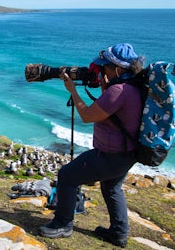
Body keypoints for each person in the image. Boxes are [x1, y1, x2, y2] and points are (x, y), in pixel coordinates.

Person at [39, 43, 144, 248]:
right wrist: (106, 88)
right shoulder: (133, 88)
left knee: (67, 176)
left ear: (118, 70)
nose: (101, 70)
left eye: (105, 67)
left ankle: (63, 224)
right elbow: (115, 111)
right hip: (128, 154)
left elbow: (87, 116)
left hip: (109, 155)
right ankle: (119, 233)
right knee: (112, 187)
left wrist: (73, 91)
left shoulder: (118, 91)